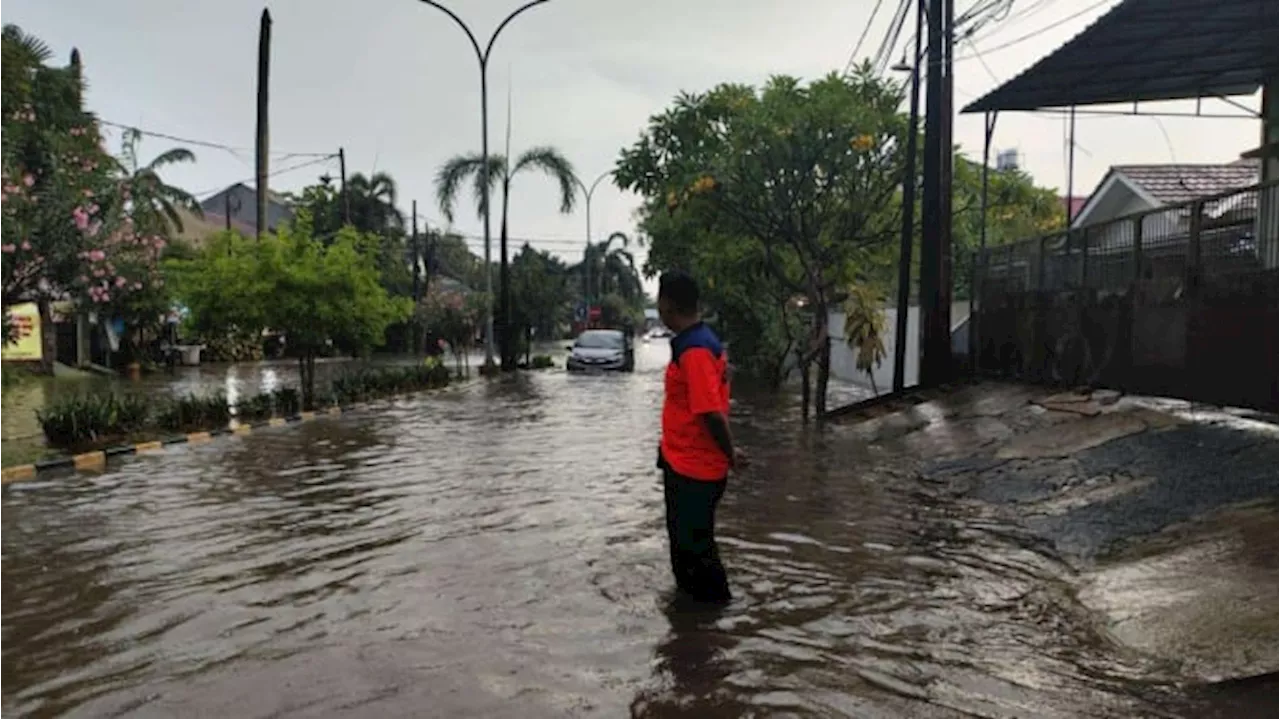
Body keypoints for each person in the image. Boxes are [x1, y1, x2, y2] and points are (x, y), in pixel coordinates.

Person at [656, 270, 745, 605]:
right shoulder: (702, 341)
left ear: (666, 305)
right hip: (686, 461)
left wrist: (731, 453)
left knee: (696, 551)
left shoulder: (694, 349)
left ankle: (713, 620)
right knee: (687, 549)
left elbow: (710, 413)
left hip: (694, 468)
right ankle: (690, 627)